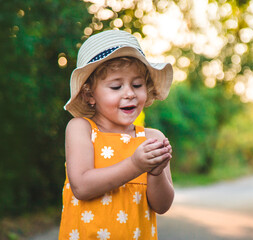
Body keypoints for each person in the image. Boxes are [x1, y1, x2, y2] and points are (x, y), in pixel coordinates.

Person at [58, 30, 174, 240]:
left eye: (137, 85)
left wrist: (156, 173)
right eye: (116, 86)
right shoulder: (81, 128)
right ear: (89, 94)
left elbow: (162, 205)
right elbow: (82, 187)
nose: (129, 93)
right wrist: (136, 165)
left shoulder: (151, 138)